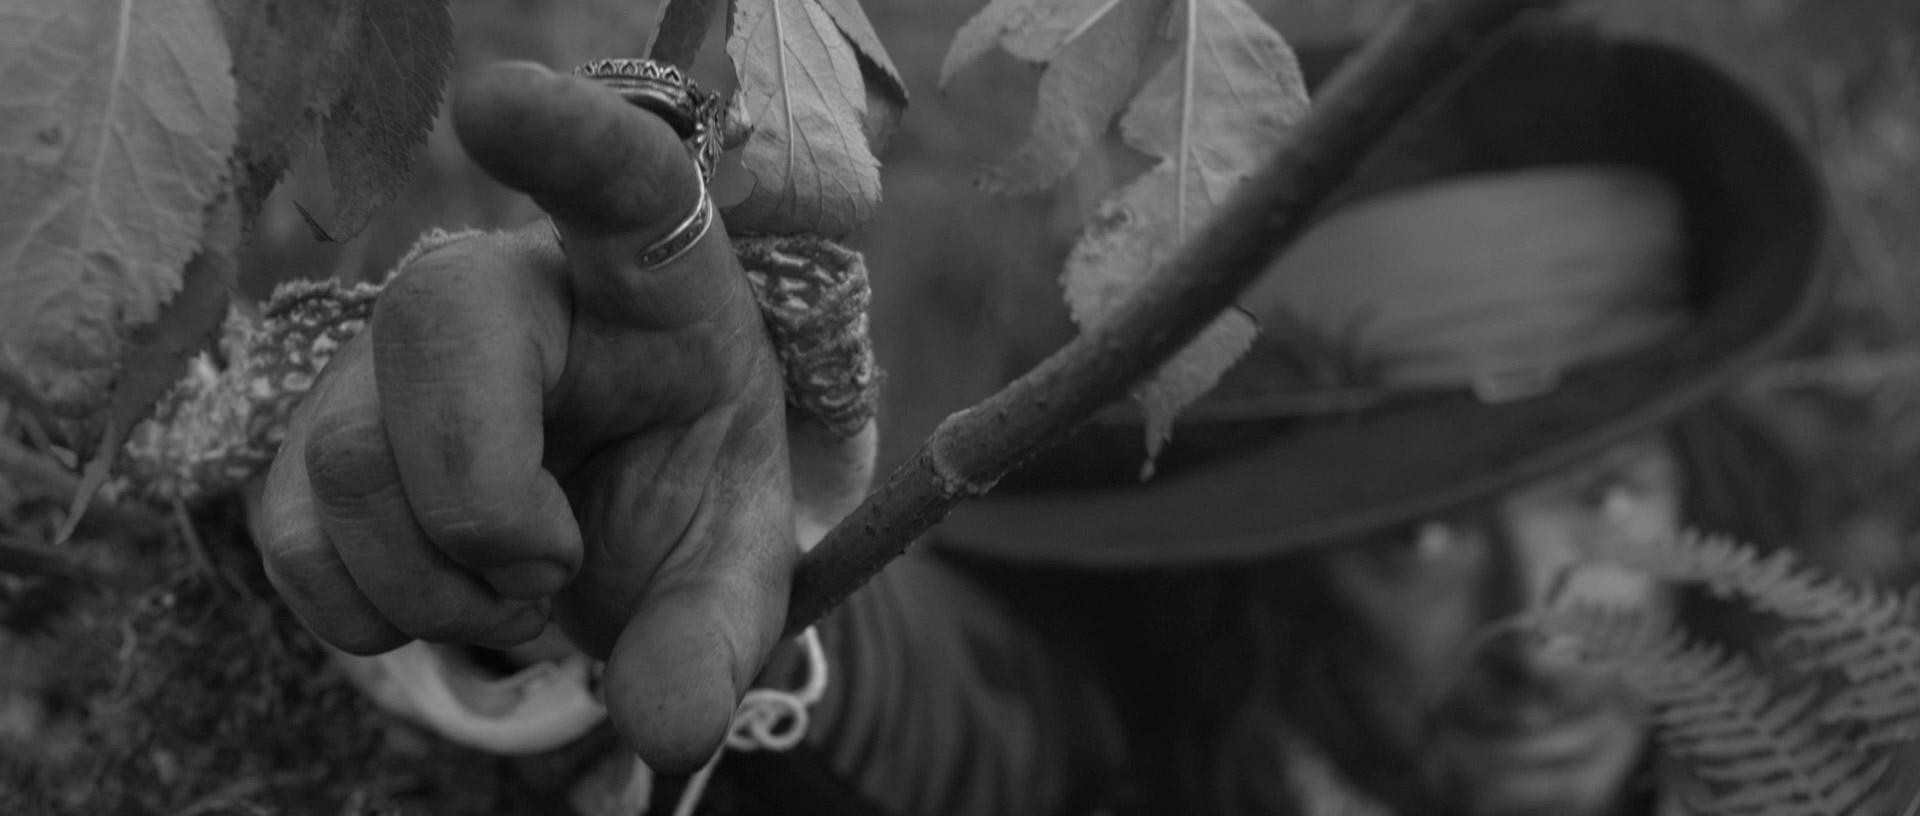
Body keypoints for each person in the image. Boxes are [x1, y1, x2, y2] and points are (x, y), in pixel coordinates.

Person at [252, 18, 1829, 816]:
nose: (1542, 623)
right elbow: (943, 691)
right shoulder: (1116, 731)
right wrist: (662, 565)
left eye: (1610, 497)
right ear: (1268, 566)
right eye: (1415, 534)